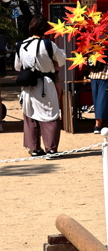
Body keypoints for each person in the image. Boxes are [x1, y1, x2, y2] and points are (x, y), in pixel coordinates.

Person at [15, 15, 66, 157]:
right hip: (46, 84)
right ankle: (51, 149)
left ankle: (35, 148)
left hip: (28, 86)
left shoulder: (21, 45)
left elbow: (17, 66)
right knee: (50, 115)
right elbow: (61, 59)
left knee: (30, 115)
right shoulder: (49, 44)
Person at [88, 52, 108, 134]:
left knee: (102, 100)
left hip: (105, 75)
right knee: (100, 101)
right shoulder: (91, 46)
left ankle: (98, 124)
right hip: (94, 75)